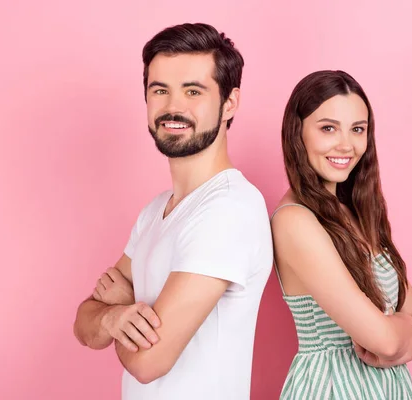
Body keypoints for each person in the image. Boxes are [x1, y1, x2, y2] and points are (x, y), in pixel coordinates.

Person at [73, 23, 273, 400]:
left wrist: (121, 305)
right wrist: (113, 318)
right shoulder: (154, 212)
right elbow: (83, 324)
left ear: (229, 103)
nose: (173, 107)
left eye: (193, 91)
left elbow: (148, 362)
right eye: (160, 90)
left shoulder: (229, 209)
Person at [271, 70, 412, 399]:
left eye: (357, 129)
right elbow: (386, 341)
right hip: (331, 386)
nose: (346, 144)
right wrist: (402, 327)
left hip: (383, 387)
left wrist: (396, 337)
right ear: (297, 132)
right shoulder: (295, 220)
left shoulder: (355, 212)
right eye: (328, 128)